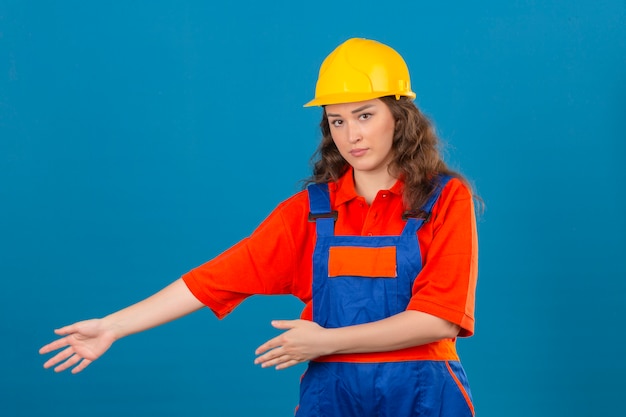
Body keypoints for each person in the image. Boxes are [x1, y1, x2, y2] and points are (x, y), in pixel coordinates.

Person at [40, 37, 478, 417]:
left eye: (365, 115)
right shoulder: (310, 212)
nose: (351, 136)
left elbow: (438, 320)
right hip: (333, 397)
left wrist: (325, 342)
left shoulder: (444, 199)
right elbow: (215, 278)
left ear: (399, 118)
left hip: (424, 394)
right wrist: (114, 326)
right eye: (337, 120)